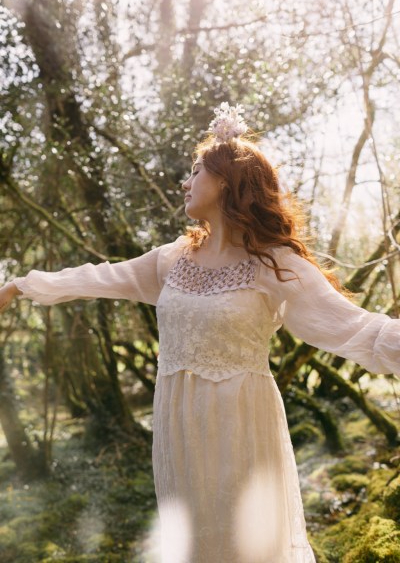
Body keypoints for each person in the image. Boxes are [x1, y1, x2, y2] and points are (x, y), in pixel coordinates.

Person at [0, 102, 399, 563]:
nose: (185, 183)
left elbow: (357, 329)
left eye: (195, 172)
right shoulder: (172, 260)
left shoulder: (275, 264)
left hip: (243, 425)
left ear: (226, 181)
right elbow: (100, 277)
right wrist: (20, 286)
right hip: (177, 425)